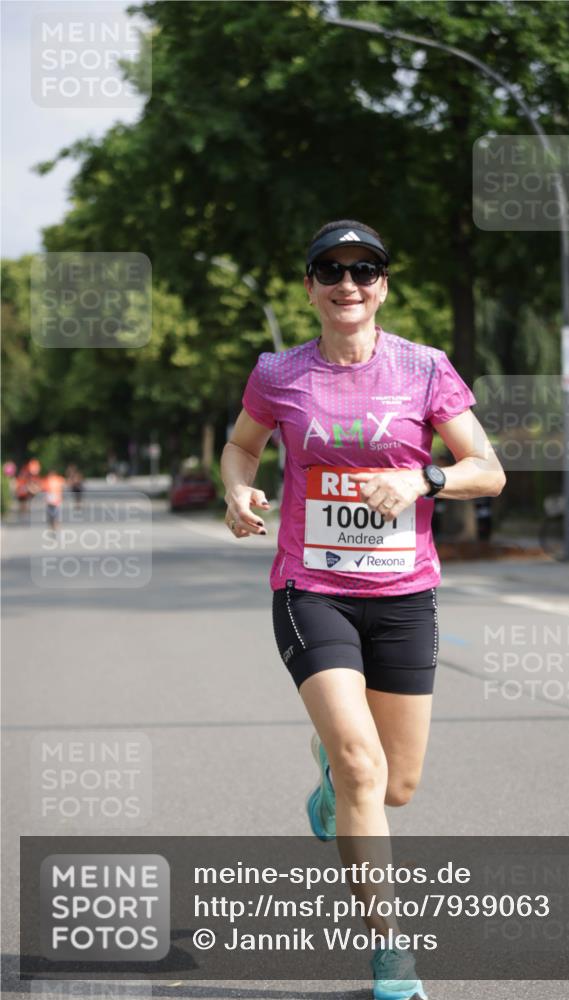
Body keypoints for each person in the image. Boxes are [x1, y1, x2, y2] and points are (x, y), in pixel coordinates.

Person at [221, 220, 506, 1000]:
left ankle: (327, 788)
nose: (348, 284)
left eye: (365, 269)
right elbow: (243, 445)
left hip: (404, 593)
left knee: (395, 786)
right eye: (330, 269)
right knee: (359, 762)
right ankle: (391, 957)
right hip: (310, 588)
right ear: (308, 285)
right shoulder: (279, 373)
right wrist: (235, 487)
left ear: (384, 284)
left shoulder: (424, 368)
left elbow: (487, 468)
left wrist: (425, 481)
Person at [42, 468, 66, 533]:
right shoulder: (47, 480)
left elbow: (63, 486)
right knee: (51, 513)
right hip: (50, 499)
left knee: (55, 513)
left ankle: (54, 524)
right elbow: (43, 489)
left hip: (56, 499)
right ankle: (53, 524)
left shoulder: (58, 479)